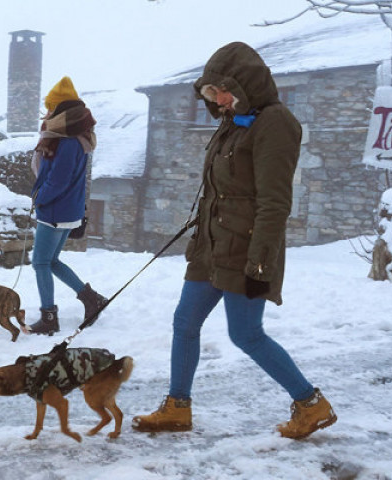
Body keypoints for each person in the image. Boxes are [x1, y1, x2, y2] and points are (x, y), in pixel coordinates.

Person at [131, 42, 337, 439]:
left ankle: (311, 404)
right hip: (212, 247)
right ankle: (177, 407)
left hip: (246, 249)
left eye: (222, 90)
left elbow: (274, 202)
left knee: (245, 335)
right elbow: (219, 190)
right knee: (184, 322)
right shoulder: (234, 120)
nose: (219, 100)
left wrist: (260, 262)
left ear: (245, 83)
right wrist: (198, 237)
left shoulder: (275, 123)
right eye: (211, 94)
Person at [27, 76, 109, 336]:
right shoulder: (72, 137)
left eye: (51, 108)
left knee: (40, 262)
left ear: (61, 109)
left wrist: (39, 198)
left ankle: (49, 317)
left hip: (54, 210)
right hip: (65, 210)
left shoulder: (67, 141)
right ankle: (91, 299)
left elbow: (58, 180)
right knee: (51, 261)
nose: (47, 112)